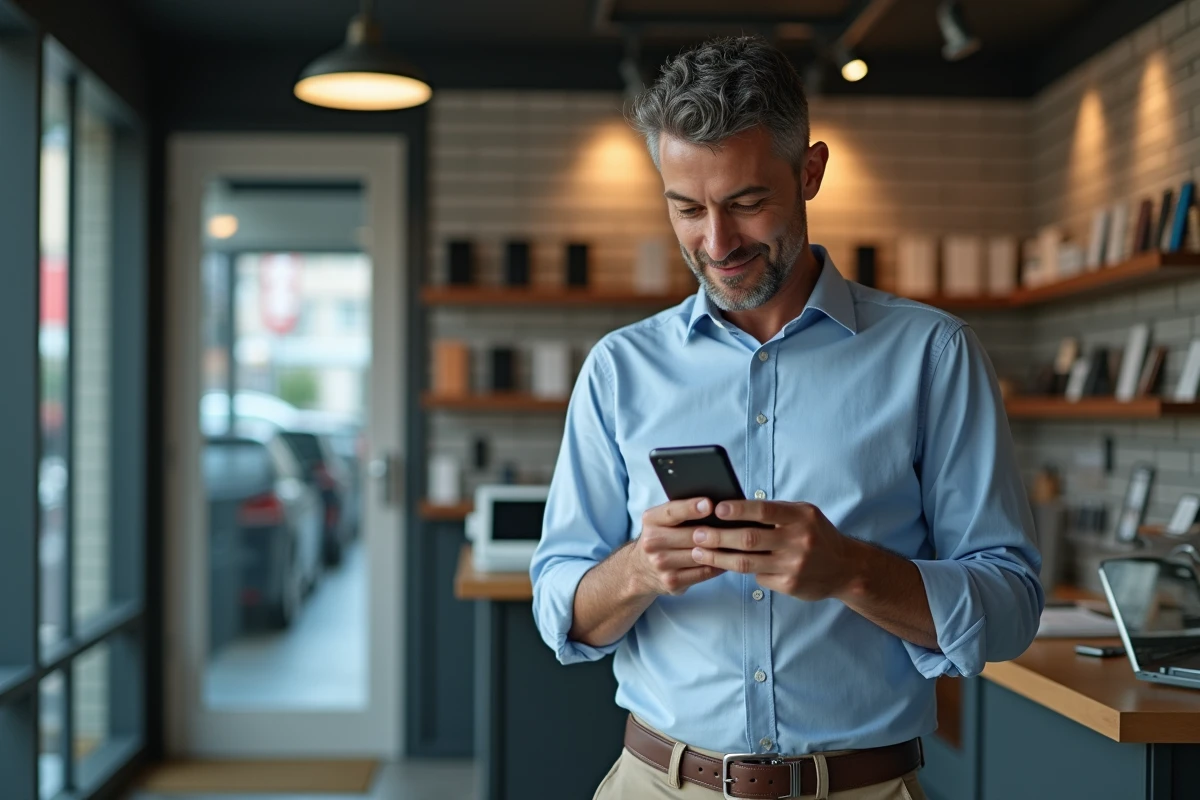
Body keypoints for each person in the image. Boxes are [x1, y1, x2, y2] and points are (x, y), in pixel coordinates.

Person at [530, 35, 1043, 800]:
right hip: (656, 784)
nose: (716, 241)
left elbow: (1010, 607)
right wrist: (640, 569)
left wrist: (852, 571)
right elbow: (558, 605)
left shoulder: (933, 355)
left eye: (745, 203)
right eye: (687, 209)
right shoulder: (618, 368)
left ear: (810, 172)